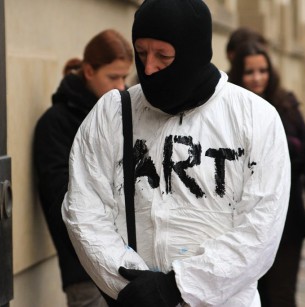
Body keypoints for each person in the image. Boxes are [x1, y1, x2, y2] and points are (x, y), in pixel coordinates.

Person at [62, 1, 291, 306]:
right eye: (141, 54)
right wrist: (133, 286)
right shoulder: (113, 114)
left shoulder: (255, 119)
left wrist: (178, 286)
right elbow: (84, 210)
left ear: (192, 54)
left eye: (163, 56)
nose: (148, 68)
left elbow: (261, 228)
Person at [33, 29, 133, 307]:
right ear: (89, 71)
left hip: (131, 266)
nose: (121, 87)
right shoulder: (56, 123)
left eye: (125, 77)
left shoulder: (120, 117)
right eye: (113, 77)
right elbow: (62, 203)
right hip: (86, 274)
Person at [228, 41, 305, 307]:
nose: (257, 78)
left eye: (262, 70)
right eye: (250, 72)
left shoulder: (286, 105)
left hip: (287, 218)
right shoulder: (231, 108)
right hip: (243, 220)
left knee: (281, 295)